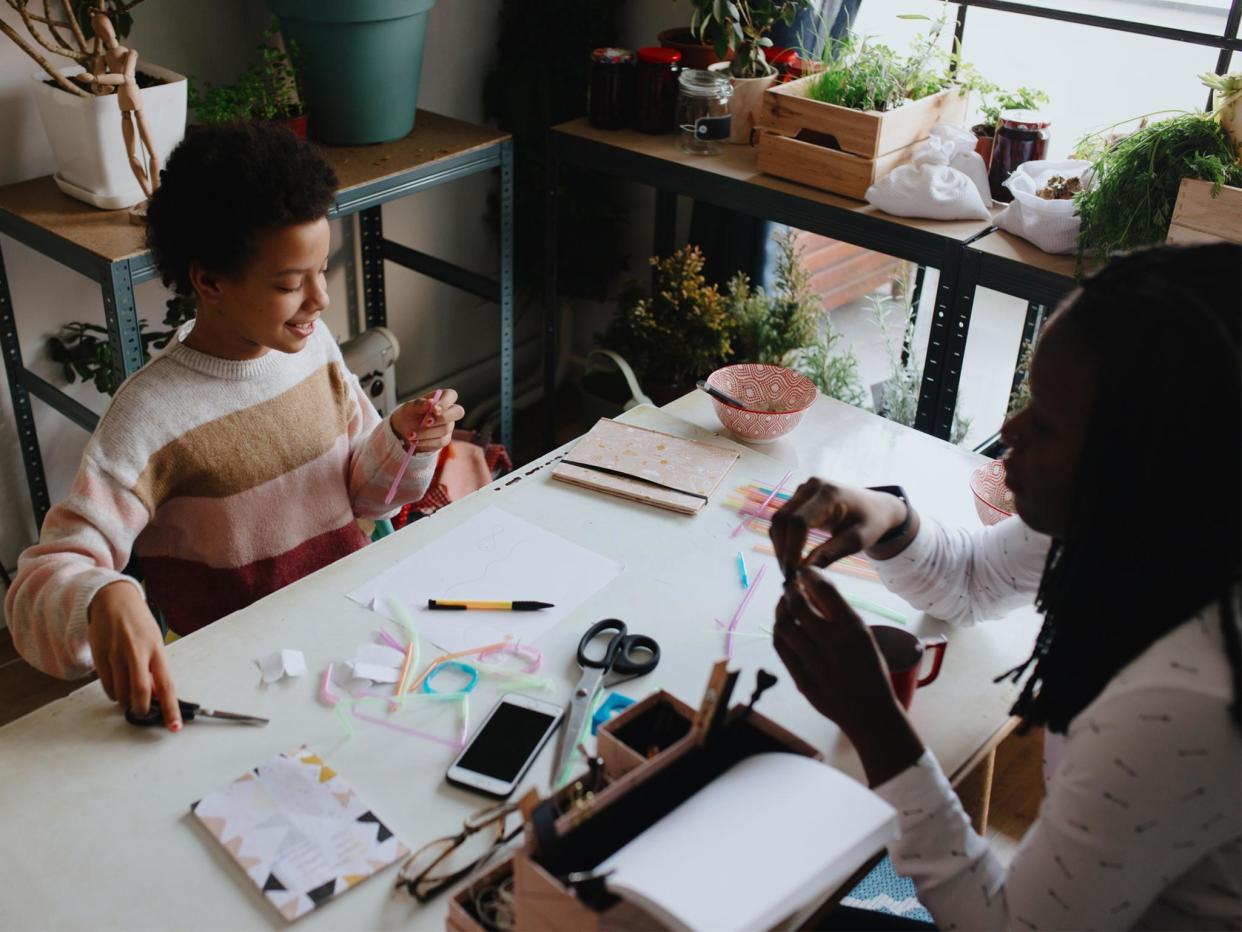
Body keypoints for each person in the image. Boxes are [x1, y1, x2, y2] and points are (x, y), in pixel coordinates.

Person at [769, 243, 1241, 930]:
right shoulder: (1157, 524)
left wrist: (876, 724)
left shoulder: (1186, 696)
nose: (1008, 434)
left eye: (1044, 422)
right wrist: (888, 519)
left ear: (1143, 462)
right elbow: (976, 581)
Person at [5, 122, 465, 732]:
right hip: (239, 688)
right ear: (210, 281)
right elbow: (35, 590)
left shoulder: (313, 347)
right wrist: (101, 597)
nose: (320, 300)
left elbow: (362, 494)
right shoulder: (149, 417)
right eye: (288, 283)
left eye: (321, 269)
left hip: (347, 648)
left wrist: (404, 442)